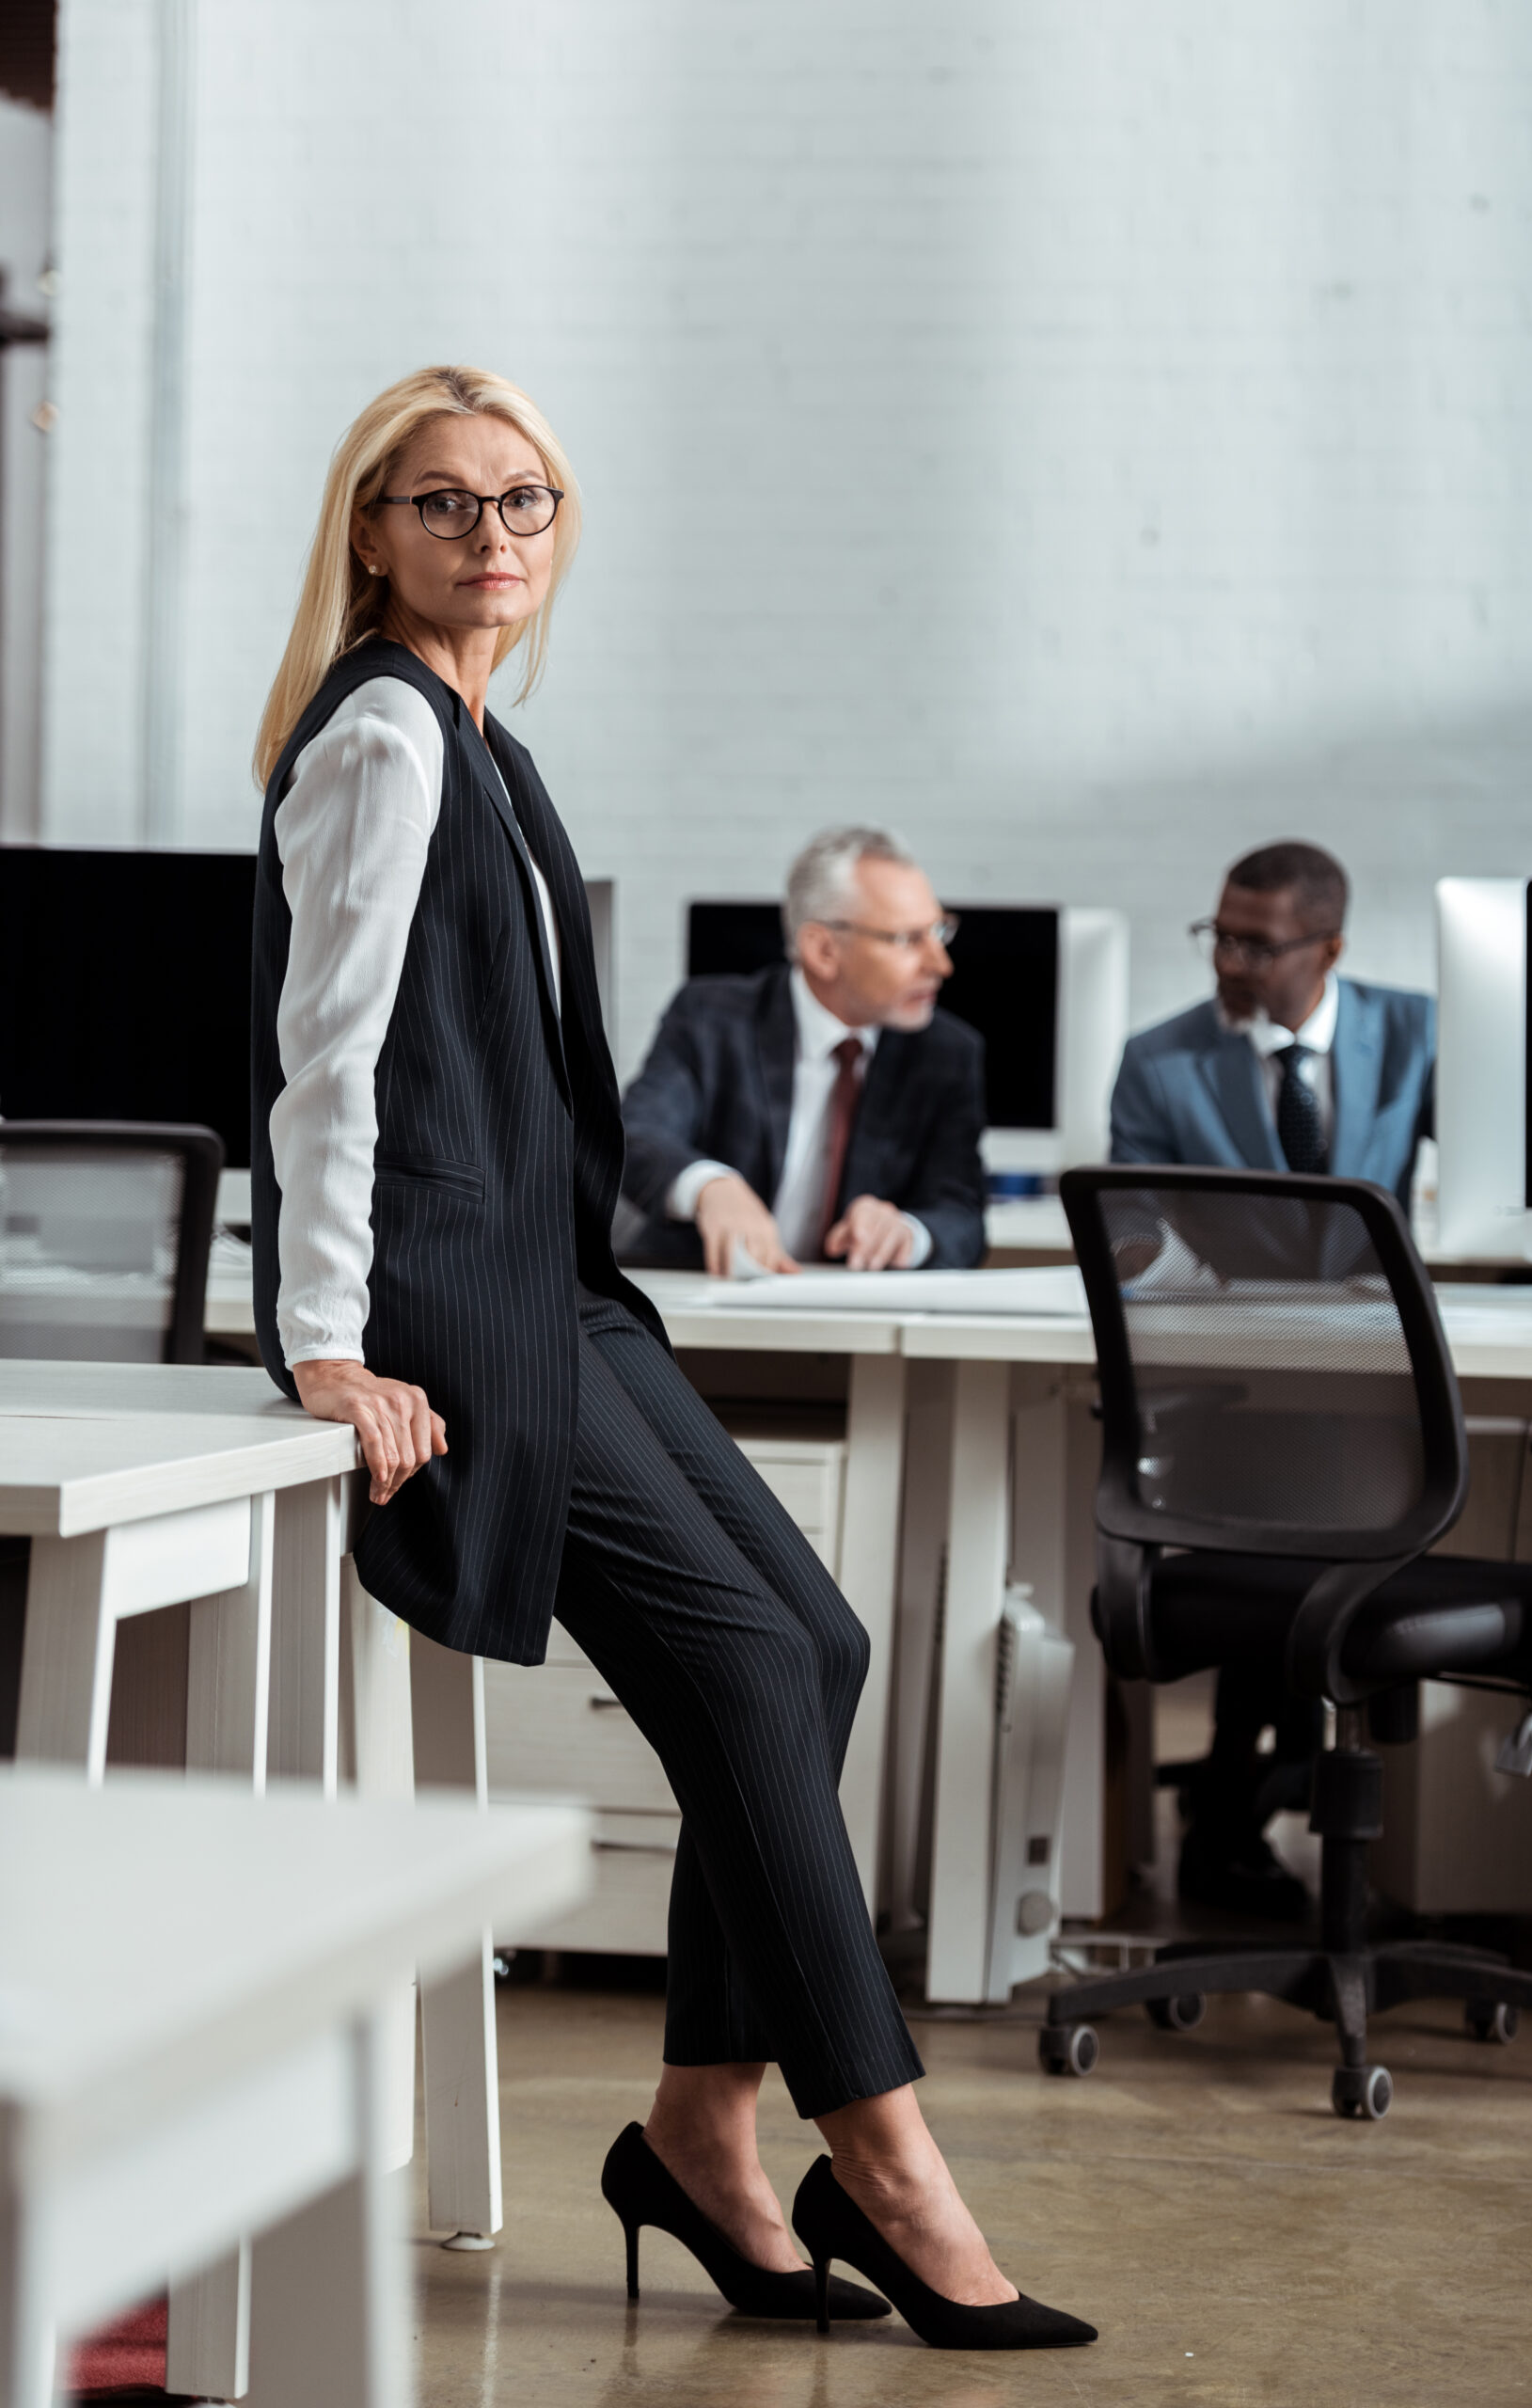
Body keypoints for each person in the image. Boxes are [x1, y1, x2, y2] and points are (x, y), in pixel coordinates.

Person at [249, 365, 1092, 2351]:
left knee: (814, 1641)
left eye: (525, 502)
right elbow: (327, 1056)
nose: (493, 538)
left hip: (561, 1283)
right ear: (371, 528)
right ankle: (882, 2162)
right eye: (445, 503)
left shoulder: (481, 734)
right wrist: (318, 1346)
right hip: (455, 1307)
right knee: (736, 1657)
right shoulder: (381, 732)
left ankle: (701, 2123)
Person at [1110, 838, 1435, 1920]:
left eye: (1256, 942)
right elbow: (1128, 1227)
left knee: (1341, 1507)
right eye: (1218, 935)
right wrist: (1156, 1263)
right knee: (1294, 1516)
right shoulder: (1159, 1061)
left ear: (1327, 946)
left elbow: (1492, 1166)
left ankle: (1243, 1793)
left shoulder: (1420, 1035)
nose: (1230, 960)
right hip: (1230, 1398)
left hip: (1378, 1386)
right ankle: (1243, 1795)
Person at [619, 829, 986, 1275]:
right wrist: (711, 1185)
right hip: (697, 1309)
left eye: (938, 931)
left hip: (847, 1320)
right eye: (908, 940)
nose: (941, 965)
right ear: (824, 949)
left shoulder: (946, 1054)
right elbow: (635, 1134)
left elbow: (962, 1212)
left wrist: (909, 1231)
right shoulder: (711, 1019)